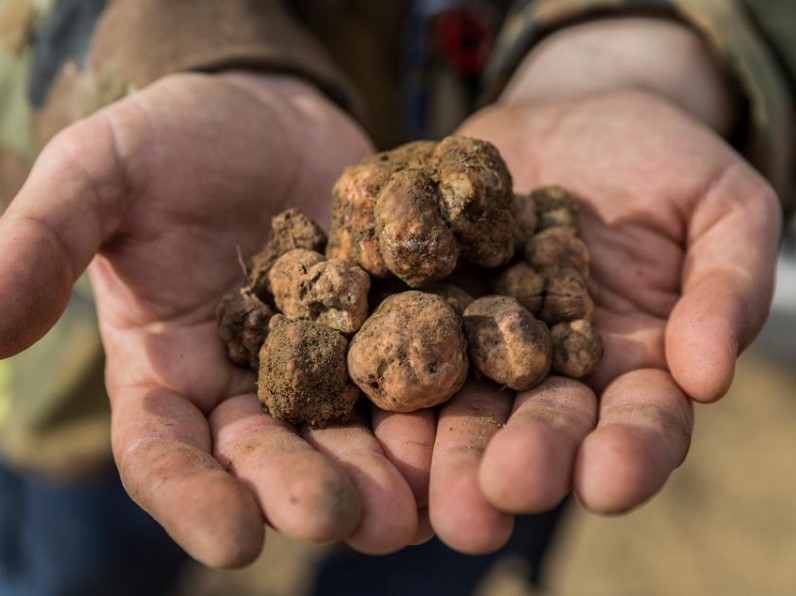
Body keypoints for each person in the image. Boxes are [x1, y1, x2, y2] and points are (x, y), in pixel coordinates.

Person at [0, 0, 793, 594]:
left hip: (515, 96)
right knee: (76, 563)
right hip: (93, 376)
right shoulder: (311, 280)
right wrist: (182, 47)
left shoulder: (493, 263)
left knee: (453, 537)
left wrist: (652, 40)